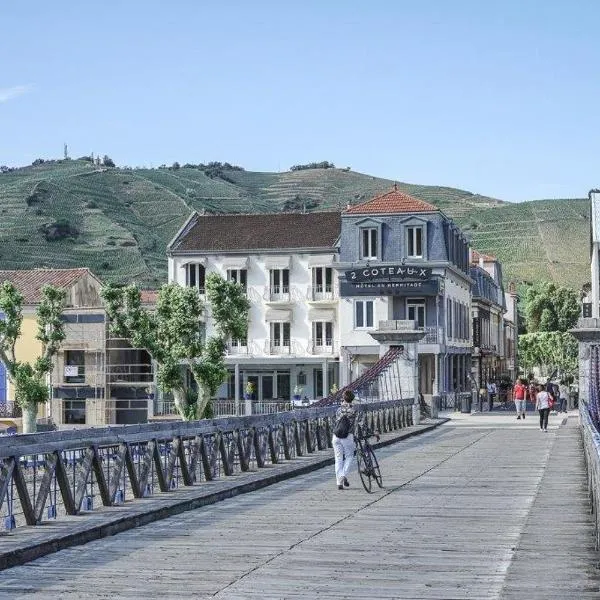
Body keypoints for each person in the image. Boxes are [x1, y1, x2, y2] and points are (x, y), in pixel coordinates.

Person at [332, 390, 362, 490]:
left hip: (336, 436)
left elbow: (335, 421)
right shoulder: (355, 410)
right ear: (352, 399)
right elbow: (361, 423)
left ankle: (339, 483)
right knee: (349, 456)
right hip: (347, 436)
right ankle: (343, 475)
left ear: (343, 398)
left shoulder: (338, 410)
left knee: (338, 459)